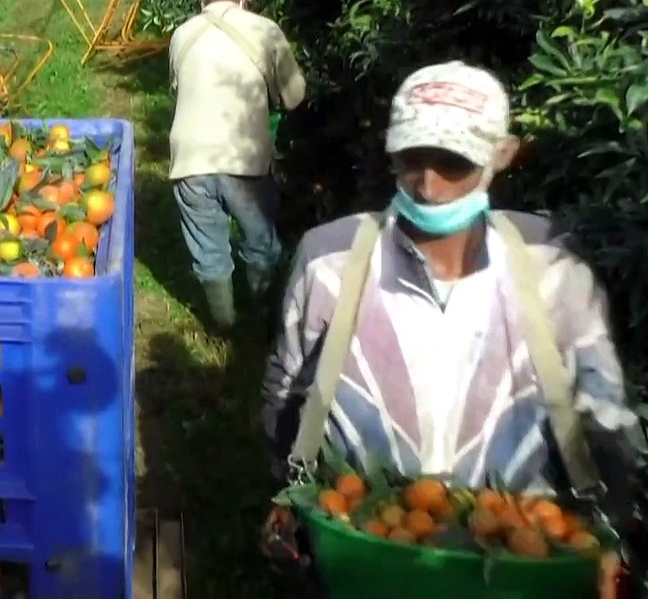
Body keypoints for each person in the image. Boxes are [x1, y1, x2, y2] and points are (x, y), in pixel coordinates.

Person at [260, 61, 643, 598]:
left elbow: (604, 412)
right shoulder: (332, 259)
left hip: (518, 559)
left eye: (454, 162)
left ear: (501, 156)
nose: (429, 185)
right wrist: (289, 495)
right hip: (368, 548)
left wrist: (611, 535)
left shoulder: (551, 266)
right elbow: (286, 389)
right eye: (412, 158)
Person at [166, 0, 306, 332]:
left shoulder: (183, 33)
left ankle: (224, 326)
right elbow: (295, 96)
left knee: (209, 247)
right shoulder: (265, 29)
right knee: (260, 242)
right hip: (244, 158)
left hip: (189, 159)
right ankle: (259, 318)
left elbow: (177, 87)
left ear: (204, 3)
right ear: (243, 0)